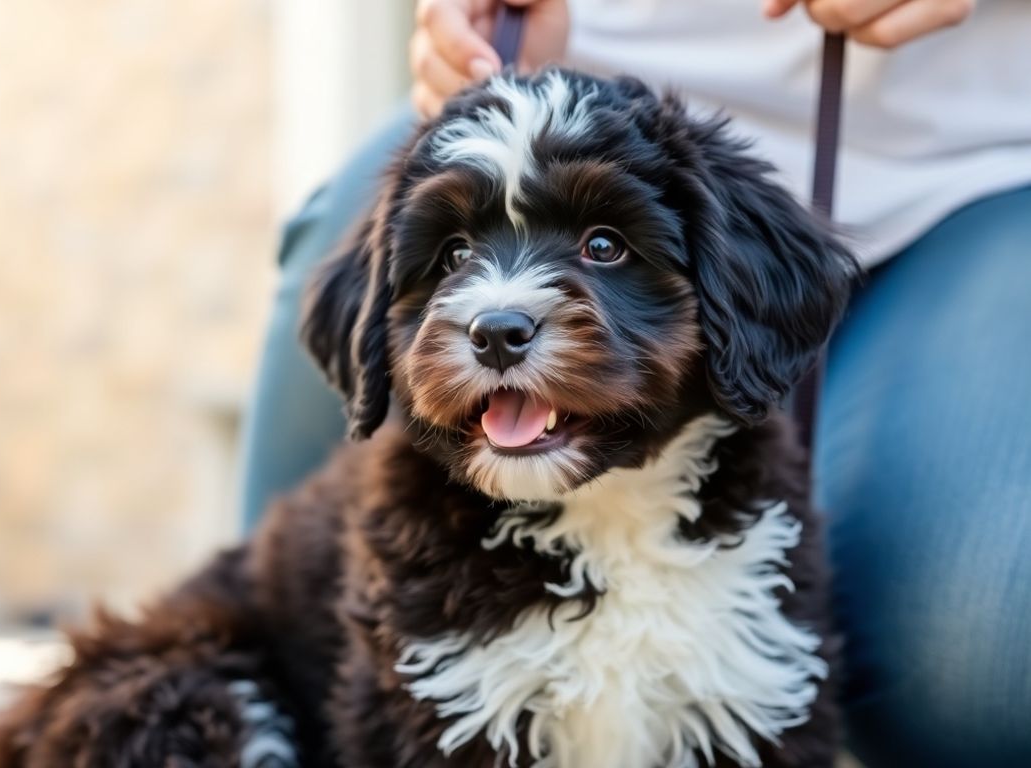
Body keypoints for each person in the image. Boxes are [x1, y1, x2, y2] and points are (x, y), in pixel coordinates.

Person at [237, 1, 1031, 765]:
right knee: (253, 643)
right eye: (452, 263)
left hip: (955, 153)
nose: (497, 311)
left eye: (603, 247)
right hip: (570, 55)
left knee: (981, 667)